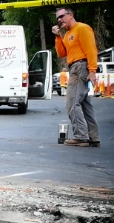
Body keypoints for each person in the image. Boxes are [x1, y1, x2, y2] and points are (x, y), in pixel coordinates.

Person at [52, 7, 100, 147]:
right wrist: (57, 36)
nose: (60, 20)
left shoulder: (82, 28)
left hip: (80, 66)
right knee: (85, 105)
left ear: (71, 15)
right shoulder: (67, 35)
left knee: (72, 103)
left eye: (62, 16)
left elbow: (91, 49)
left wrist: (92, 70)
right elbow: (62, 53)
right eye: (58, 18)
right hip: (74, 67)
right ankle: (93, 136)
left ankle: (80, 136)